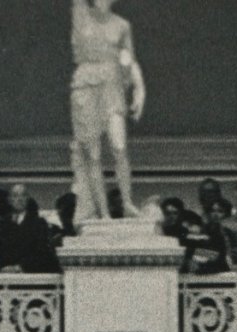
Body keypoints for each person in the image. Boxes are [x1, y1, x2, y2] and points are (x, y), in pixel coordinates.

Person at [68, 0, 145, 224]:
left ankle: (127, 202)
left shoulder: (122, 25)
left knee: (119, 146)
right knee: (92, 154)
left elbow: (128, 58)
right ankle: (103, 213)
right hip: (85, 84)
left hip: (112, 85)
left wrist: (139, 89)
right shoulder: (81, 14)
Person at [6, 181, 59, 273]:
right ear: (10, 200)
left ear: (28, 198)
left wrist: (20, 267)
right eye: (15, 196)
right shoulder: (2, 224)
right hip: (4, 275)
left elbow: (43, 252)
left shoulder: (39, 223)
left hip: (30, 274)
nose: (19, 199)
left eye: (23, 195)